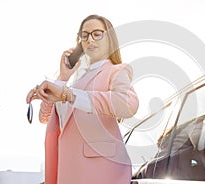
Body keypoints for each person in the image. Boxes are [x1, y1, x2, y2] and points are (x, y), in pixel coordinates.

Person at [26, 14, 139, 184]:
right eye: (84, 35)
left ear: (109, 39)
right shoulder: (75, 82)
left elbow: (127, 105)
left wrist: (68, 95)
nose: (89, 39)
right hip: (68, 170)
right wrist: (63, 77)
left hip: (102, 172)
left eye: (97, 33)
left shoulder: (116, 70)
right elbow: (45, 118)